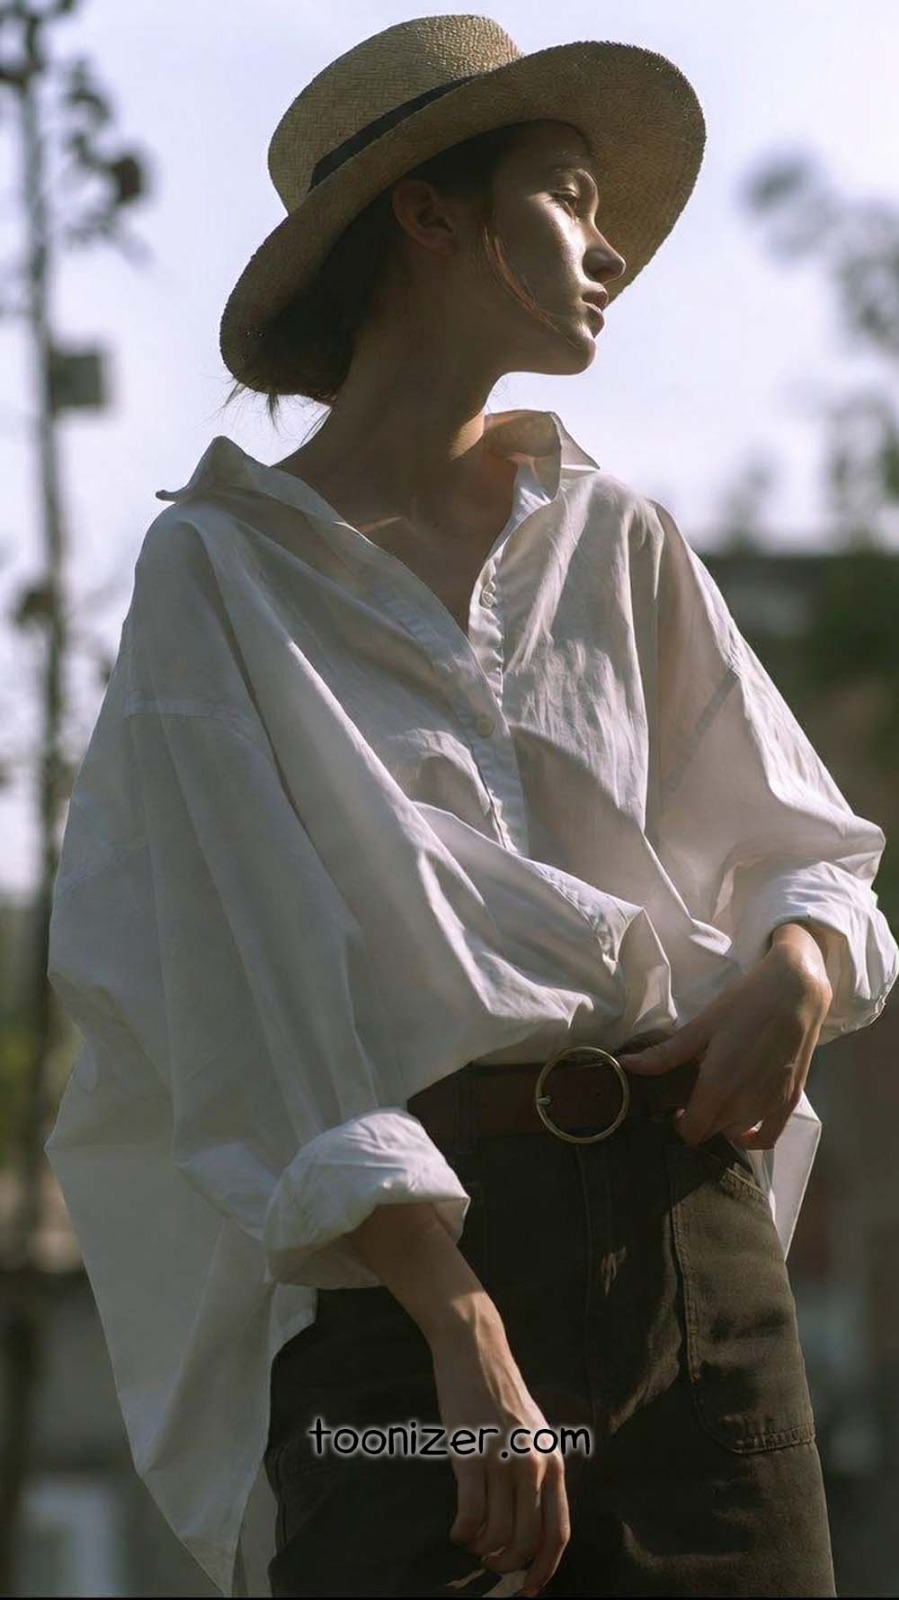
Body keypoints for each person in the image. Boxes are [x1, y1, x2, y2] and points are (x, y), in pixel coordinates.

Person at [44, 14, 898, 1600]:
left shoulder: (618, 538)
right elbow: (228, 991)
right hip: (411, 1294)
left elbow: (812, 853)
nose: (611, 247)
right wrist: (452, 1313)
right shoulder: (219, 572)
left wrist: (795, 971)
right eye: (568, 193)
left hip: (696, 1254)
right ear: (429, 214)